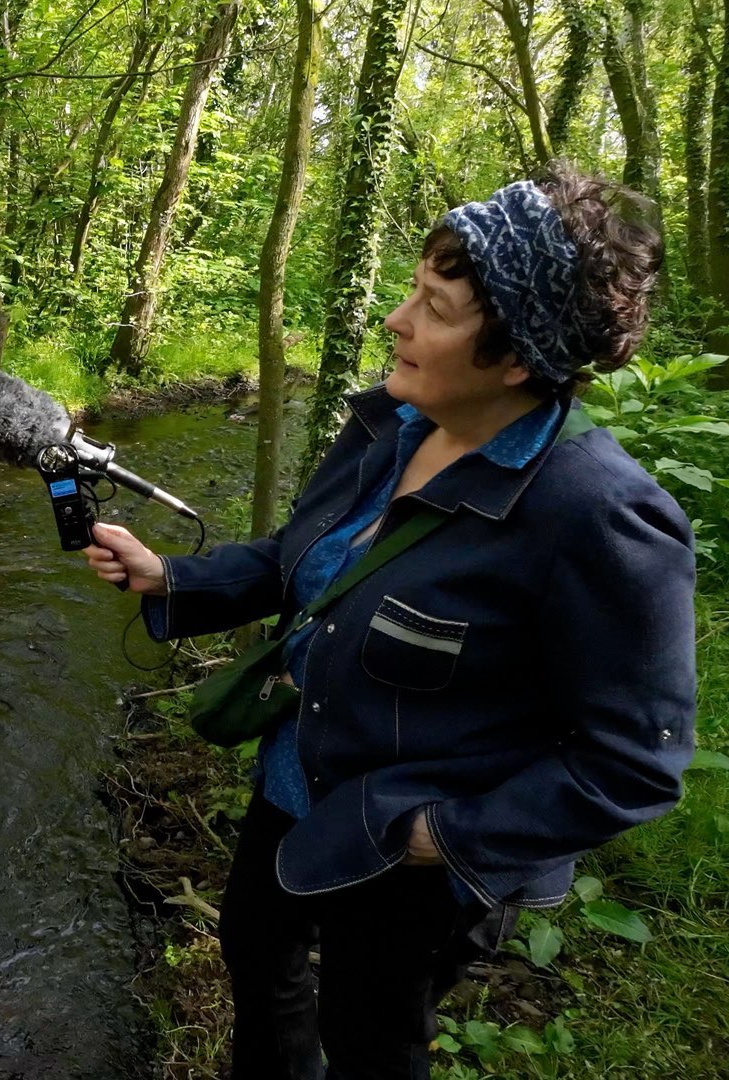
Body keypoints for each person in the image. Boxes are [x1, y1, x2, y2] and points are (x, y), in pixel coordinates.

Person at [83, 165, 696, 1080]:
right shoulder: (389, 427)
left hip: (409, 851)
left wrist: (441, 839)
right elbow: (307, 558)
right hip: (294, 784)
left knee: (370, 1034)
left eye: (436, 307)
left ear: (519, 355)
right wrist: (171, 574)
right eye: (411, 289)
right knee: (255, 949)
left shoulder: (595, 516)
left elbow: (634, 761)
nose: (396, 320)